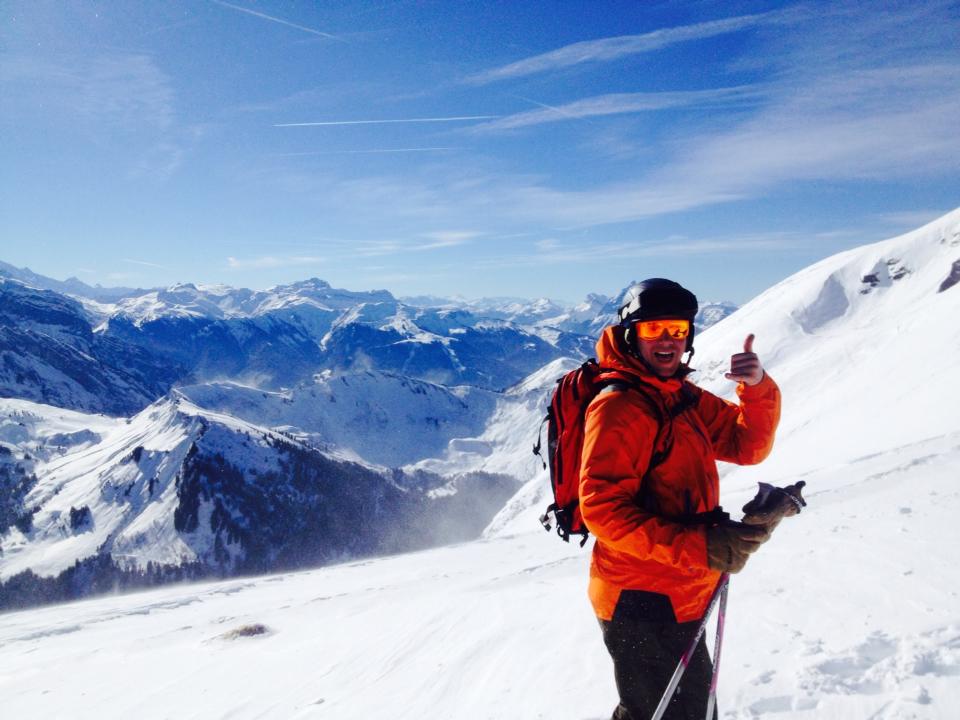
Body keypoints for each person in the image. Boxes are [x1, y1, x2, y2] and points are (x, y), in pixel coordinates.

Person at [579, 278, 782, 720]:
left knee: (671, 711)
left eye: (677, 328)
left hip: (682, 589)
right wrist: (701, 545)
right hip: (642, 599)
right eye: (654, 330)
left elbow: (747, 445)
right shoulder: (621, 407)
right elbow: (602, 510)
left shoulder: (679, 396)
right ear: (632, 336)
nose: (668, 340)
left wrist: (758, 386)